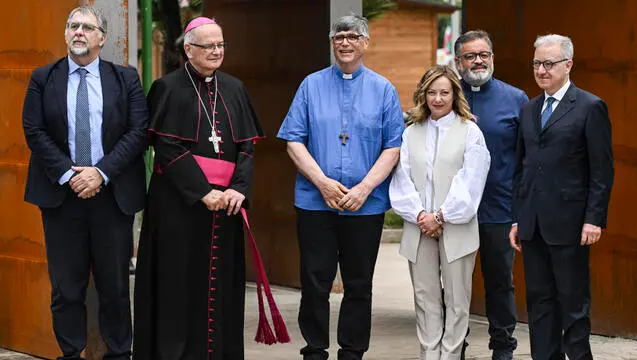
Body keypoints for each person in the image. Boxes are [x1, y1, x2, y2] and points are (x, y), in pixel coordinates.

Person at [133, 17, 288, 360]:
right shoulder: (168, 88)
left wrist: (238, 190)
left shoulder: (234, 88)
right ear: (189, 50)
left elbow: (247, 146)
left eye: (221, 45)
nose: (217, 51)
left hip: (227, 208)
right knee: (178, 283)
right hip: (180, 206)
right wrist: (203, 192)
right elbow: (167, 146)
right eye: (209, 46)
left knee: (221, 285)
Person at [21, 6, 148, 360]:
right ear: (65, 35)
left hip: (112, 196)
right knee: (67, 289)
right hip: (62, 197)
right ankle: (70, 353)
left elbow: (137, 132)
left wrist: (100, 172)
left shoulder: (125, 79)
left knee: (115, 286)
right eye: (73, 26)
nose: (79, 32)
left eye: (87, 27)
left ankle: (120, 354)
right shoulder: (43, 78)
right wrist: (70, 173)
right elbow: (34, 130)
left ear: (101, 38)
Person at [276, 15, 404, 360]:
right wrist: (321, 183)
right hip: (315, 203)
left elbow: (393, 146)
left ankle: (352, 351)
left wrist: (363, 188)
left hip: (366, 204)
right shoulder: (311, 85)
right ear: (332, 43)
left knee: (359, 284)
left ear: (365, 42)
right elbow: (293, 140)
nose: (345, 43)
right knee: (315, 281)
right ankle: (315, 349)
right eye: (339, 37)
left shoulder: (384, 89)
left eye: (352, 37)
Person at [510, 34, 614, 360]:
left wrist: (594, 219)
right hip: (534, 225)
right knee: (540, 305)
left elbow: (601, 171)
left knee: (573, 305)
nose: (541, 70)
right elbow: (522, 168)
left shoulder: (590, 106)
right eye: (537, 63)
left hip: (571, 225)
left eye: (549, 63)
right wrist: (518, 217)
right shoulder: (529, 109)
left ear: (568, 65)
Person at [390, 65, 490, 360]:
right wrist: (421, 215)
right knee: (425, 299)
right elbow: (401, 178)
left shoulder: (470, 131)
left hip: (456, 228)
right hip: (419, 227)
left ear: (454, 94)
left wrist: (442, 216)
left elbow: (471, 180)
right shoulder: (411, 133)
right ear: (423, 95)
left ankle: (449, 356)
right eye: (431, 92)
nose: (437, 98)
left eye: (444, 92)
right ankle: (429, 354)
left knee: (458, 301)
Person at [454, 30, 529, 360]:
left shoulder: (516, 99)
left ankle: (503, 347)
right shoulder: (444, 96)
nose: (478, 61)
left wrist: (522, 211)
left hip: (499, 210)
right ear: (458, 62)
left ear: (493, 58)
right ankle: (456, 345)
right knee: (455, 286)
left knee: (500, 283)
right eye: (470, 56)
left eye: (484, 54)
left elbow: (528, 159)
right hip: (454, 212)